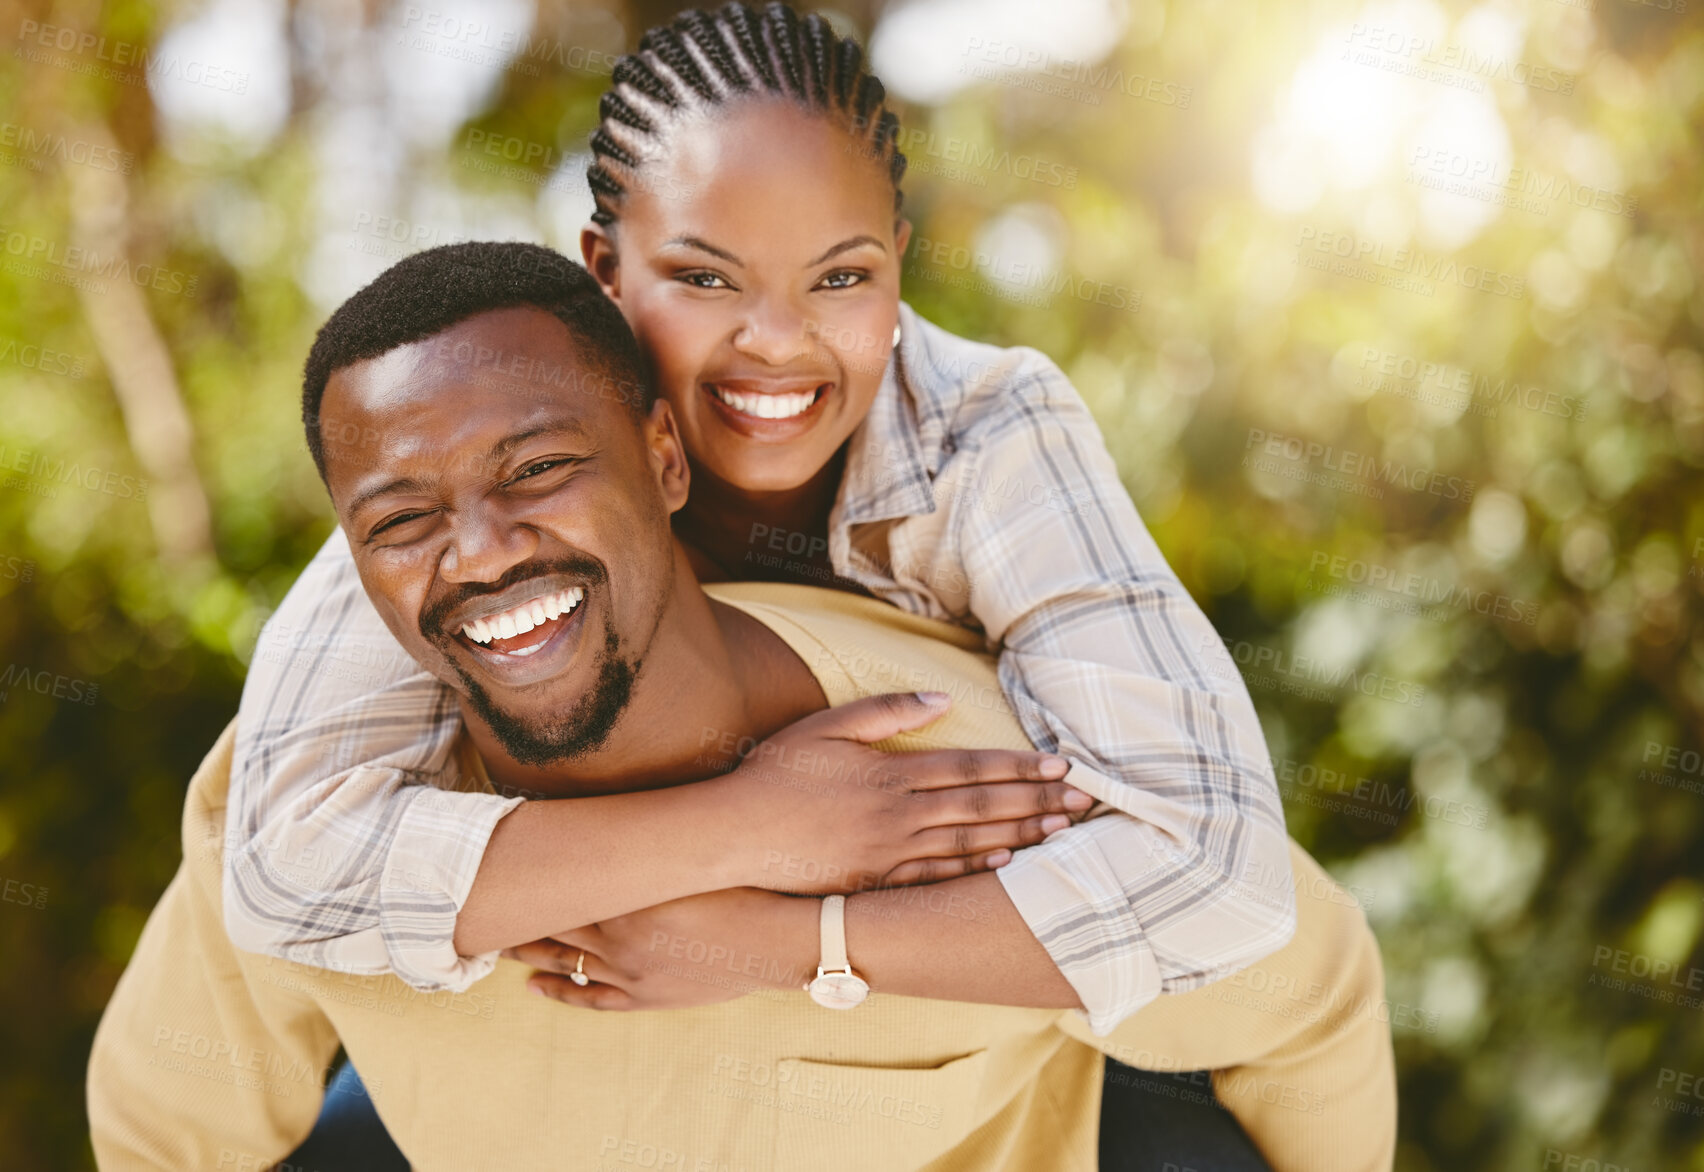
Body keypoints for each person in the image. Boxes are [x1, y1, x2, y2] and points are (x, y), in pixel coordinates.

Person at [88, 251, 1396, 1170]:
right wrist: (748, 834)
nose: (479, 554)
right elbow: (165, 1133)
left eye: (540, 470)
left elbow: (1305, 989)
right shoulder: (307, 818)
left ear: (666, 457)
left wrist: (813, 940)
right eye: (402, 521)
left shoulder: (953, 781)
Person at [226, 0, 1296, 1047]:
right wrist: (756, 824)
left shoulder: (984, 431)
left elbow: (1219, 869)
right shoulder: (498, 465)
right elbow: (285, 868)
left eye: (841, 276)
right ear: (605, 271)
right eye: (703, 277)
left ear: (897, 261)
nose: (778, 343)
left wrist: (787, 940)